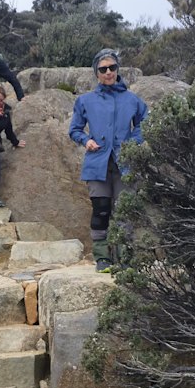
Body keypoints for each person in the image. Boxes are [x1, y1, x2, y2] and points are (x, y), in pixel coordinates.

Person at [69, 49, 148, 272]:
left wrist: (133, 141)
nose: (108, 72)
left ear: (117, 70)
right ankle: (102, 257)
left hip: (126, 163)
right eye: (103, 69)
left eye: (112, 68)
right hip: (97, 164)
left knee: (124, 211)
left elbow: (145, 121)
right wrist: (86, 140)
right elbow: (74, 129)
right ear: (97, 73)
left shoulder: (132, 99)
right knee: (101, 210)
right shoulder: (85, 100)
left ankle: (125, 258)